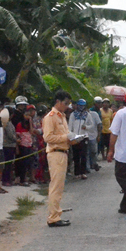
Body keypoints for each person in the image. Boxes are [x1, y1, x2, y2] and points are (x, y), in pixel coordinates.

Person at [42, 91, 74, 227]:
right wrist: (65, 138)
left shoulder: (62, 116)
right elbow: (48, 138)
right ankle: (53, 217)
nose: (67, 106)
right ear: (58, 102)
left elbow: (64, 135)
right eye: (65, 103)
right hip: (56, 153)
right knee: (56, 186)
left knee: (59, 186)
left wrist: (72, 139)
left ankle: (56, 214)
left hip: (63, 152)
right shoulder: (51, 117)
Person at [68, 99, 95, 180]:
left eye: (83, 106)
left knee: (83, 155)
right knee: (76, 156)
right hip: (75, 137)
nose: (81, 107)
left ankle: (83, 172)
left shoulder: (87, 115)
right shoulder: (73, 115)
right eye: (80, 105)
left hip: (84, 137)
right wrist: (71, 136)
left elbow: (92, 125)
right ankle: (77, 173)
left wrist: (86, 127)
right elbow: (70, 126)